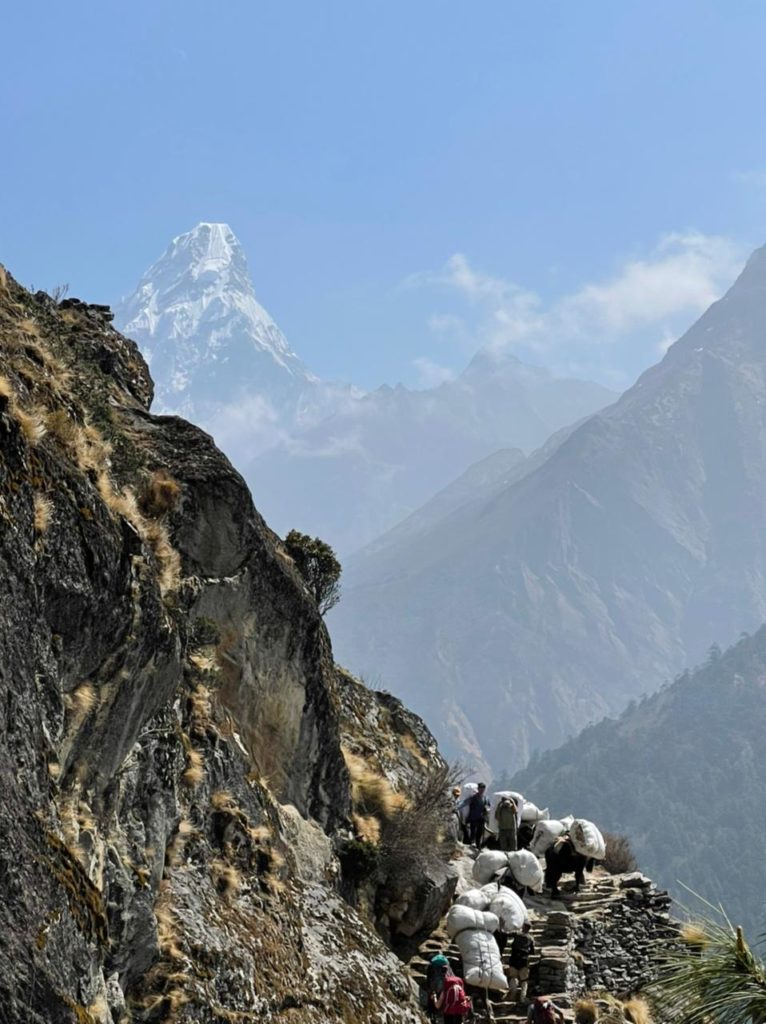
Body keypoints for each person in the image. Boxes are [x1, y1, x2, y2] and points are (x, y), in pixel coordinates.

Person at [506, 922, 535, 1002]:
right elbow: (532, 952)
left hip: (514, 959)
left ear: (523, 927)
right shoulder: (531, 938)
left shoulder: (517, 934)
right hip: (524, 961)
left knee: (513, 977)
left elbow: (507, 934)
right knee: (524, 980)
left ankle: (512, 994)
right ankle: (523, 998)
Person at [461, 782, 490, 848]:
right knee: (473, 831)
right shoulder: (473, 798)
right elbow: (465, 803)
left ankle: (478, 845)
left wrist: (487, 809)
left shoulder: (486, 798)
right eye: (481, 788)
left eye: (483, 789)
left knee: (479, 833)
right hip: (473, 818)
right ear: (478, 789)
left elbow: (488, 806)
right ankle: (472, 843)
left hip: (482, 818)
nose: (482, 790)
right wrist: (457, 808)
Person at [425, 953, 451, 1019]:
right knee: (439, 999)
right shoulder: (445, 967)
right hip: (441, 985)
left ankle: (431, 1013)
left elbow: (428, 977)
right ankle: (438, 1012)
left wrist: (429, 987)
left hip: (433, 985)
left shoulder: (431, 966)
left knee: (431, 998)